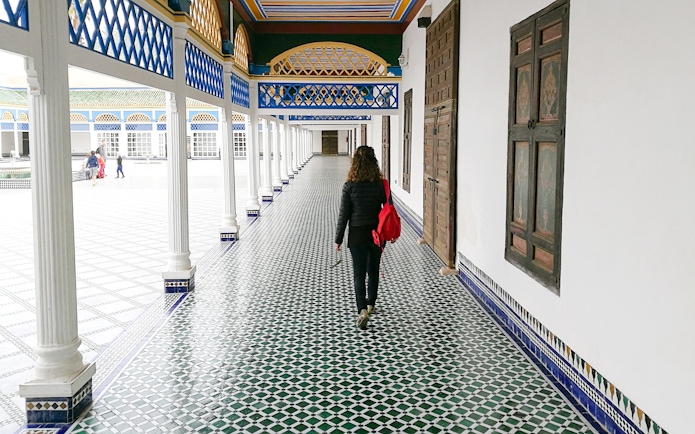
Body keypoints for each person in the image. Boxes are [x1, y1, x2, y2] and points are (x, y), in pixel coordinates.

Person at [334, 145, 386, 330]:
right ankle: (371, 304)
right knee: (373, 270)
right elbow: (387, 209)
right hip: (377, 233)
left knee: (359, 273)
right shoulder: (380, 184)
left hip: (357, 233)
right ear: (374, 162)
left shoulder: (349, 186)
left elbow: (344, 215)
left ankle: (362, 309)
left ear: (354, 163)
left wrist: (338, 239)